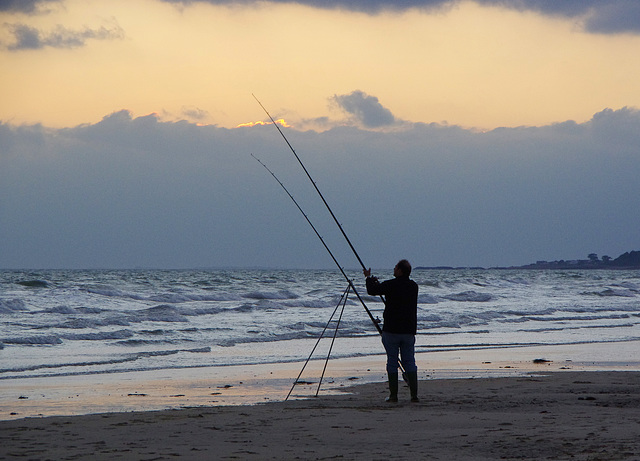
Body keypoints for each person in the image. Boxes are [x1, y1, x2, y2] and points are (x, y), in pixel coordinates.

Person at [364, 259, 419, 402]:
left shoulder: (390, 285)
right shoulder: (414, 286)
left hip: (391, 330)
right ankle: (414, 395)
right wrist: (378, 284)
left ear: (400, 270)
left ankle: (393, 396)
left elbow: (372, 291)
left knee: (392, 362)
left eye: (395, 267)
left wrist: (368, 278)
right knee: (409, 362)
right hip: (408, 330)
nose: (393, 269)